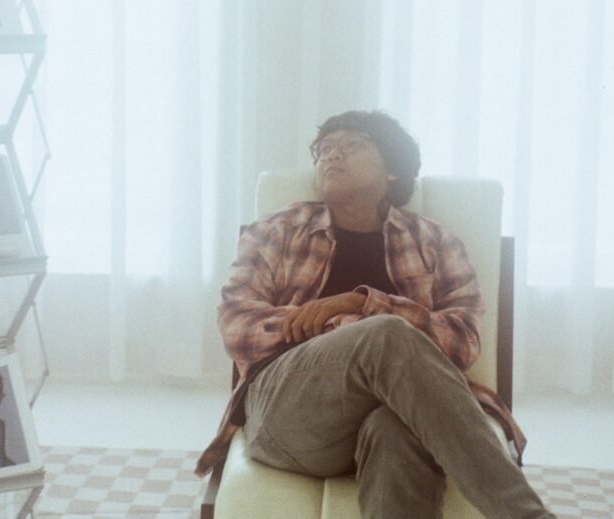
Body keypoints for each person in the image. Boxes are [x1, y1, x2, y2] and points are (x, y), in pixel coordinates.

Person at [195, 111, 555, 518]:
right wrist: (351, 331)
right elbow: (238, 325)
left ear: (393, 170)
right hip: (289, 415)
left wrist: (358, 304)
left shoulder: (435, 242)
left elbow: (463, 342)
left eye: (351, 145)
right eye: (324, 149)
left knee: (395, 429)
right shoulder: (279, 229)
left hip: (399, 417)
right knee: (385, 335)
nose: (332, 155)